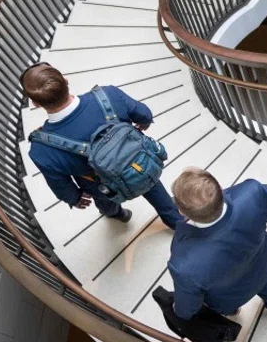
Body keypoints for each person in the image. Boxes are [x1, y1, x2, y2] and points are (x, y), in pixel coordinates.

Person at [22, 63, 183, 229]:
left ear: (35, 103)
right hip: (138, 165)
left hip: (101, 186)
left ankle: (117, 214)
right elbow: (143, 113)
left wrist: (75, 198)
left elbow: (59, 184)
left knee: (104, 199)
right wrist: (144, 122)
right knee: (150, 184)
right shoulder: (108, 95)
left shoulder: (41, 150)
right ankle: (175, 221)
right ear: (66, 80)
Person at [167, 167, 267, 320]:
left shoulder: (183, 265)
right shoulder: (252, 194)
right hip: (262, 264)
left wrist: (179, 312)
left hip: (228, 296)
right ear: (220, 188)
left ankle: (233, 312)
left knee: (229, 306)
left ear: (181, 211)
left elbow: (186, 307)